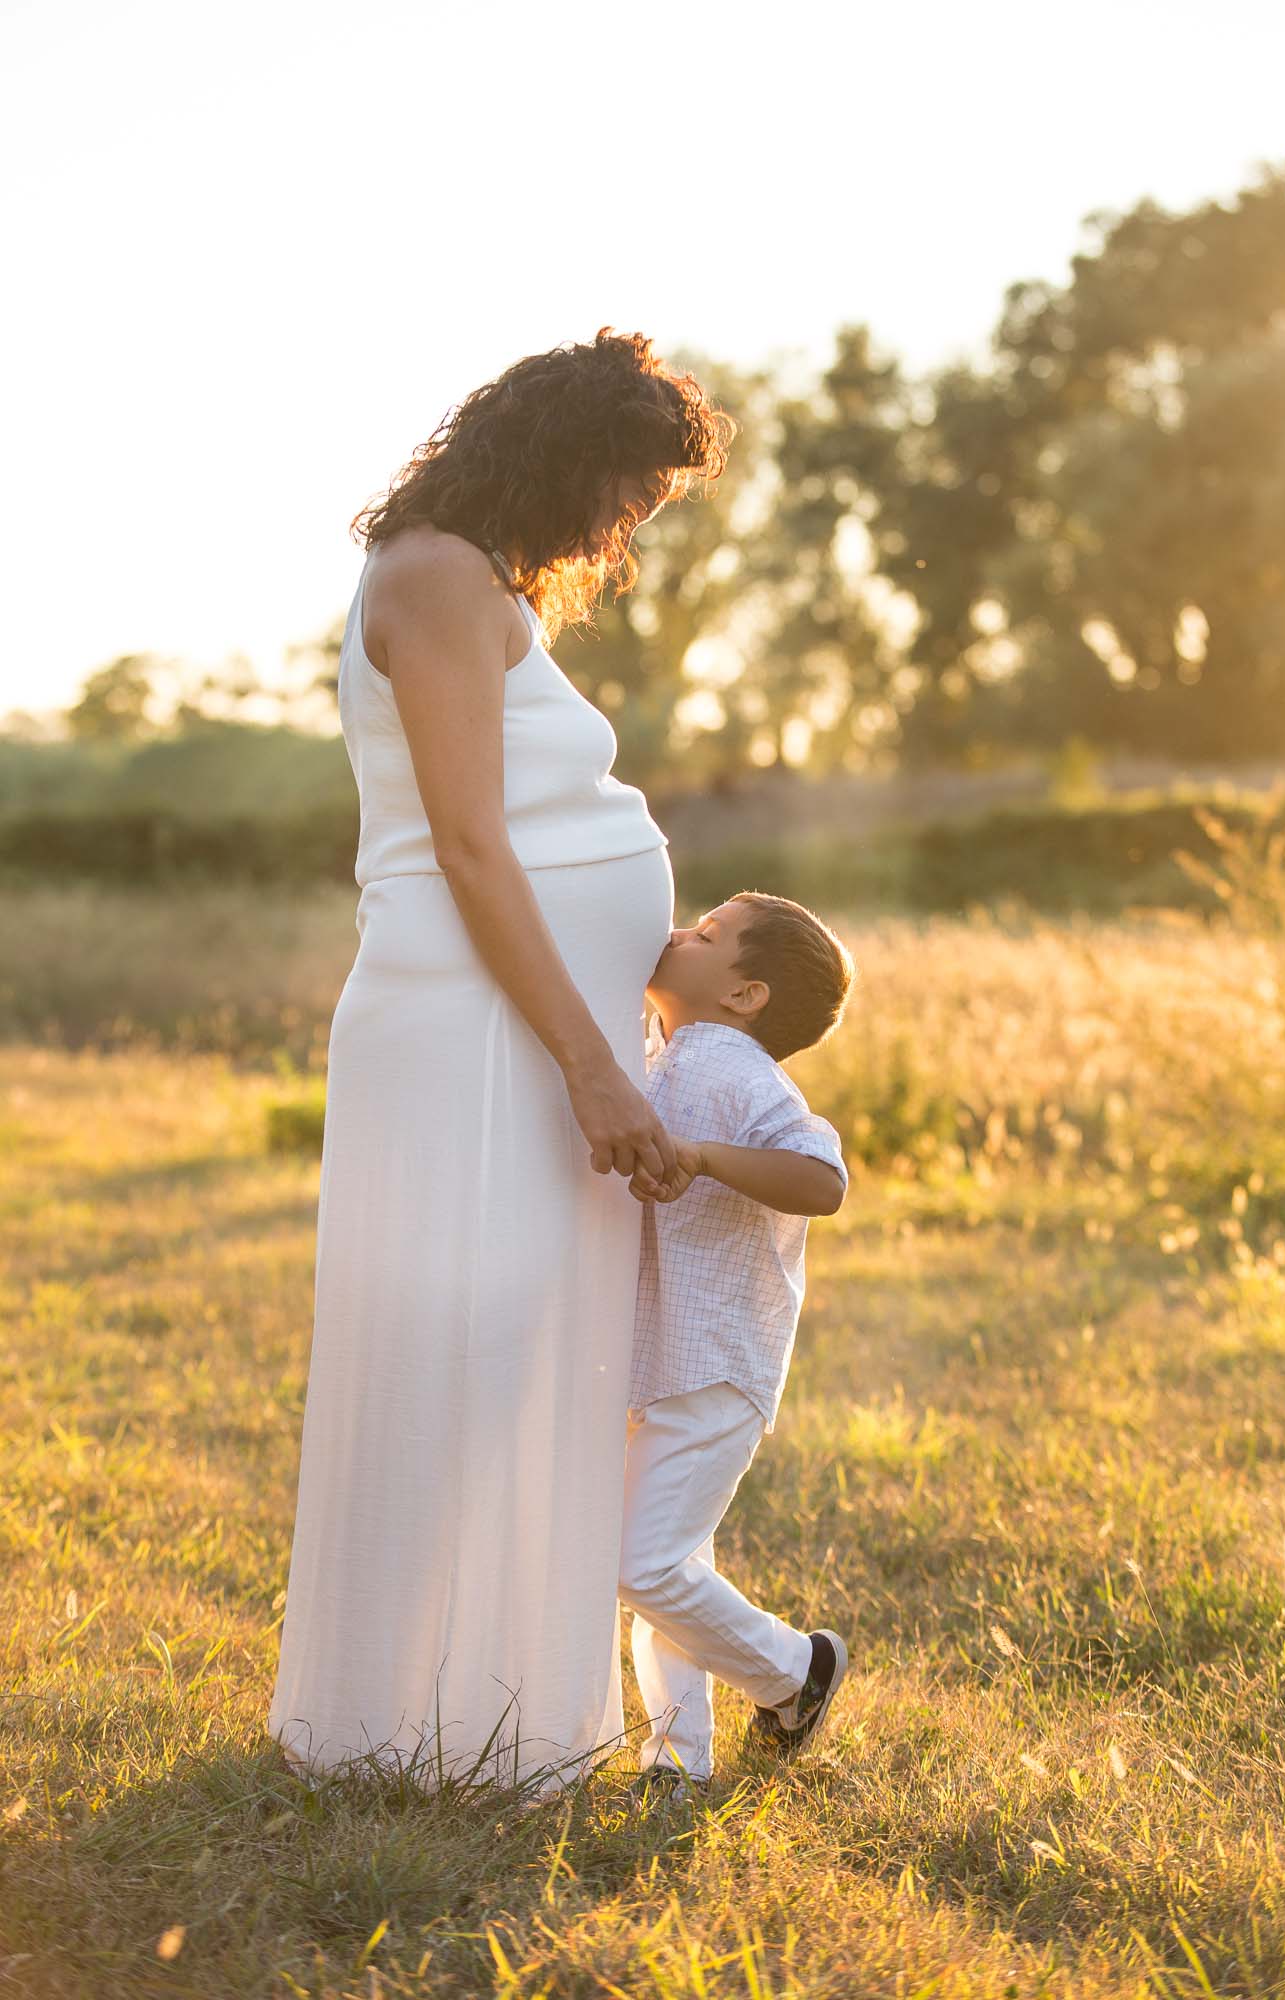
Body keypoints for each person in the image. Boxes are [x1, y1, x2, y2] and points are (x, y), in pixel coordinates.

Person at [268, 328, 737, 1794]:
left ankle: (483, 1713)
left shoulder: (470, 582)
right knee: (469, 1349)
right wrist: (596, 1067)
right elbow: (468, 846)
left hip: (508, 1026)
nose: (620, 531)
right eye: (621, 494)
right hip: (477, 1034)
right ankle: (413, 1724)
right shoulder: (434, 578)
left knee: (525, 1354)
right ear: (557, 448)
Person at [617, 892, 856, 1797]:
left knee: (639, 1563)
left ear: (744, 995)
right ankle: (678, 1763)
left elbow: (822, 1178)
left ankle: (796, 1672)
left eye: (706, 935)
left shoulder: (731, 1066)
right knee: (669, 1567)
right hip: (659, 1354)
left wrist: (709, 1157)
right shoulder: (664, 1048)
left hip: (717, 1361)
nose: (678, 931)